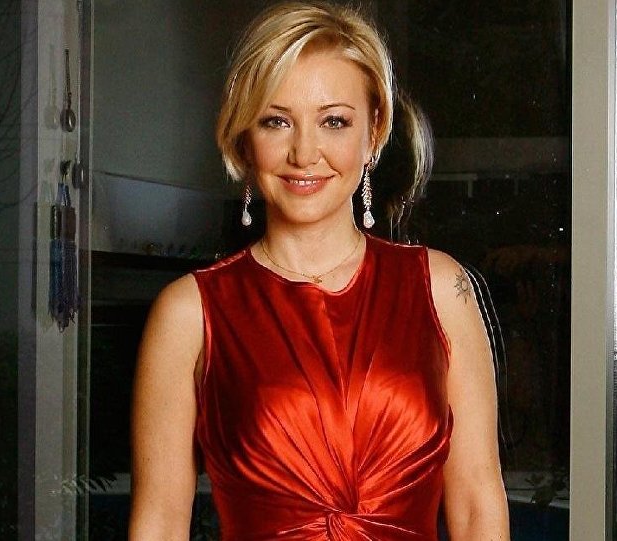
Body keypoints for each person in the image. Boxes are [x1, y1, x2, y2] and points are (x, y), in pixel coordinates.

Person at [129, 2, 509, 539]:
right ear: (245, 136)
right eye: (276, 121)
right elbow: (161, 522)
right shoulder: (188, 313)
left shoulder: (442, 289)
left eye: (334, 121)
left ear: (373, 132)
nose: (304, 152)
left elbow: (476, 503)